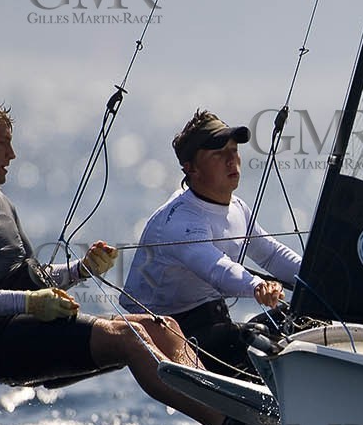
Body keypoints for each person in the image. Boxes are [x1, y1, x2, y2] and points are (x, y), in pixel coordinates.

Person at [0, 95, 261, 425]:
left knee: (163, 326)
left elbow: (31, 276)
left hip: (27, 323)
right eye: (3, 143)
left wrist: (79, 270)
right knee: (131, 338)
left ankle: (229, 404)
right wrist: (29, 302)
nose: (12, 154)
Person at [119, 110, 302, 380]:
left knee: (300, 318)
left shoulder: (238, 208)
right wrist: (257, 286)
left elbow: (272, 255)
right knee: (256, 341)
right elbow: (216, 267)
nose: (232, 159)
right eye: (218, 153)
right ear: (191, 168)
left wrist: (318, 279)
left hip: (215, 323)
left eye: (233, 149)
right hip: (171, 333)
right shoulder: (180, 220)